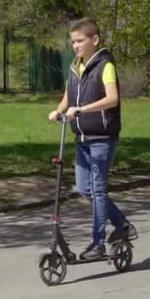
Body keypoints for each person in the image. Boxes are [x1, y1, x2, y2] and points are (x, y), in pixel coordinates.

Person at [48, 17, 138, 260]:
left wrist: (83, 109)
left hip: (102, 138)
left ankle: (97, 244)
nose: (76, 46)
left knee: (97, 191)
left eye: (80, 41)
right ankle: (122, 224)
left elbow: (112, 99)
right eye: (73, 42)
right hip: (82, 139)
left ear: (94, 40)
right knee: (84, 189)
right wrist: (59, 110)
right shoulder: (75, 67)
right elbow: (69, 96)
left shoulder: (105, 65)